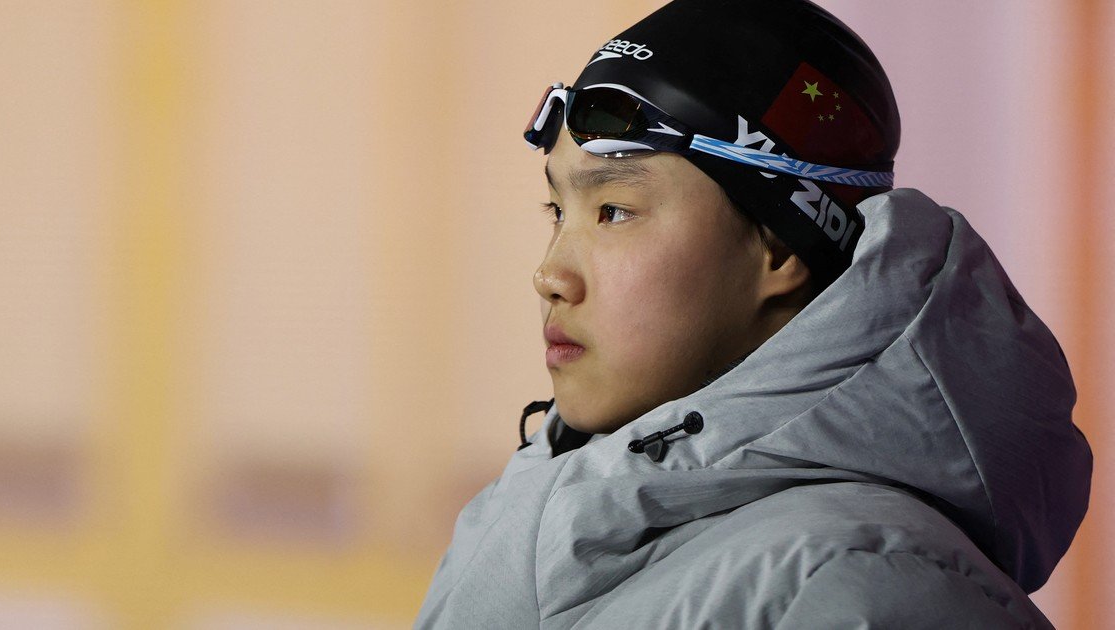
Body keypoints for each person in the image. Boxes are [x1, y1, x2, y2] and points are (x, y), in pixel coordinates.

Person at [415, 1, 1092, 627]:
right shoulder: (536, 508)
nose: (550, 276)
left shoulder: (865, 588)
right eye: (558, 211)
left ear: (778, 245)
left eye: (613, 212)